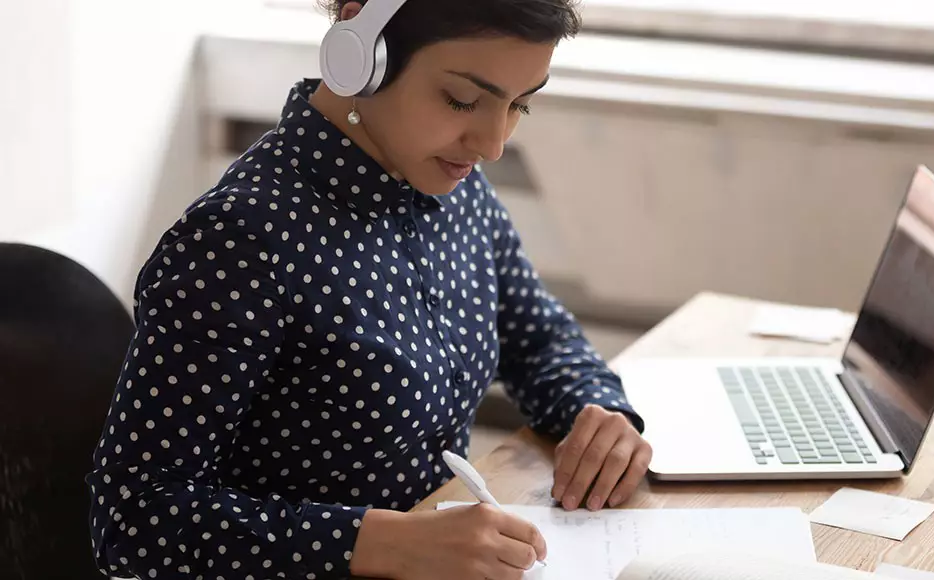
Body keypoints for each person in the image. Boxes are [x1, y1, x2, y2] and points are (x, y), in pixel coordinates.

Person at [85, 1, 652, 578]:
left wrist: (598, 409)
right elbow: (134, 514)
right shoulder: (238, 239)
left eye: (520, 103)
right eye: (462, 100)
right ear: (364, 49)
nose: (493, 143)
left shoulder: (458, 188)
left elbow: (539, 336)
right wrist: (377, 541)